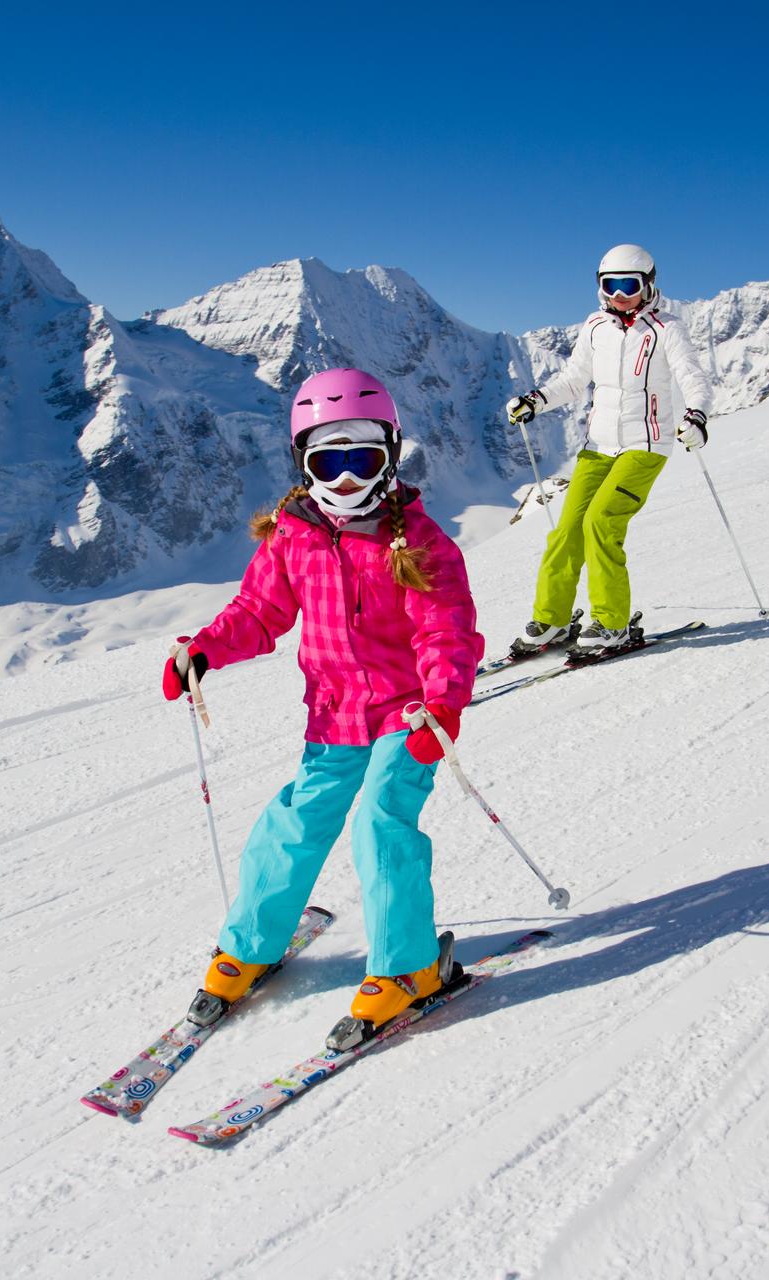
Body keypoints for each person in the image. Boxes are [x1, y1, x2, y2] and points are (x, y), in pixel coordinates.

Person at [162, 367, 484, 1049]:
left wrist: (442, 704)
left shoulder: (421, 542)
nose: (344, 480)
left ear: (390, 455)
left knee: (380, 821)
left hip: (409, 716)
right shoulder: (293, 535)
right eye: (326, 462)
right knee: (293, 822)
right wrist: (206, 650)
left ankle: (410, 969)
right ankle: (249, 946)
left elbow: (446, 629)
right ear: (302, 463)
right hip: (334, 714)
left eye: (360, 459)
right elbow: (260, 610)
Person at [504, 244, 714, 657]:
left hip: (645, 445)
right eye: (610, 285)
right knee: (566, 532)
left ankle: (611, 622)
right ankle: (553, 620)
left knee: (601, 522)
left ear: (649, 285)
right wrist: (536, 400)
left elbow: (693, 377)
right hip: (598, 446)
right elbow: (572, 379)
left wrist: (698, 416)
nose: (620, 295)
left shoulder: (666, 329)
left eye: (629, 285)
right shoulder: (595, 327)